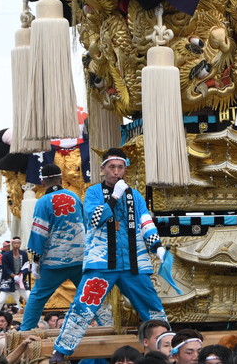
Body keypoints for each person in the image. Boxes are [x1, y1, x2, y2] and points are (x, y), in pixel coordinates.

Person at [50, 148, 168, 363]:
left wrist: (156, 245)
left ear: (125, 169)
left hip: (133, 263)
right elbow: (94, 219)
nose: (116, 172)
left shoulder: (135, 195)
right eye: (112, 167)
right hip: (101, 263)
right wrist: (114, 197)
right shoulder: (93, 192)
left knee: (152, 306)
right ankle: (61, 350)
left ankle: (166, 348)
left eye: (120, 167)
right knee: (83, 306)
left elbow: (145, 220)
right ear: (102, 168)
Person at [20, 164, 86, 330]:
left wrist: (35, 259)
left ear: (43, 182)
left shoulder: (43, 202)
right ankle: (105, 324)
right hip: (80, 257)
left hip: (54, 261)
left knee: (38, 296)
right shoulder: (75, 197)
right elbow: (85, 225)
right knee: (89, 294)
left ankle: (25, 331)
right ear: (61, 179)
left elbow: (39, 232)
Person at [0, 238, 29, 315]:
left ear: (20, 244)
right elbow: (5, 268)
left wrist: (21, 275)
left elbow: (26, 266)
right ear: (12, 244)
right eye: (15, 243)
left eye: (18, 243)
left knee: (30, 299)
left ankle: (36, 317)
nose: (16, 245)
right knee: (0, 301)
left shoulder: (24, 254)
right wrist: (13, 276)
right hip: (8, 281)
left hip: (21, 280)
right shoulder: (5, 255)